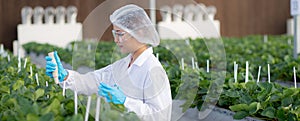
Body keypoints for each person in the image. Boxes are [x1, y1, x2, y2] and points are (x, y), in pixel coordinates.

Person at [45, 4, 172, 121]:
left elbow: (160, 116)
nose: (116, 40)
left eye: (120, 34)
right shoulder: (122, 65)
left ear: (139, 32)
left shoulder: (153, 70)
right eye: (114, 33)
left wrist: (125, 102)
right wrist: (66, 76)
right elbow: (93, 81)